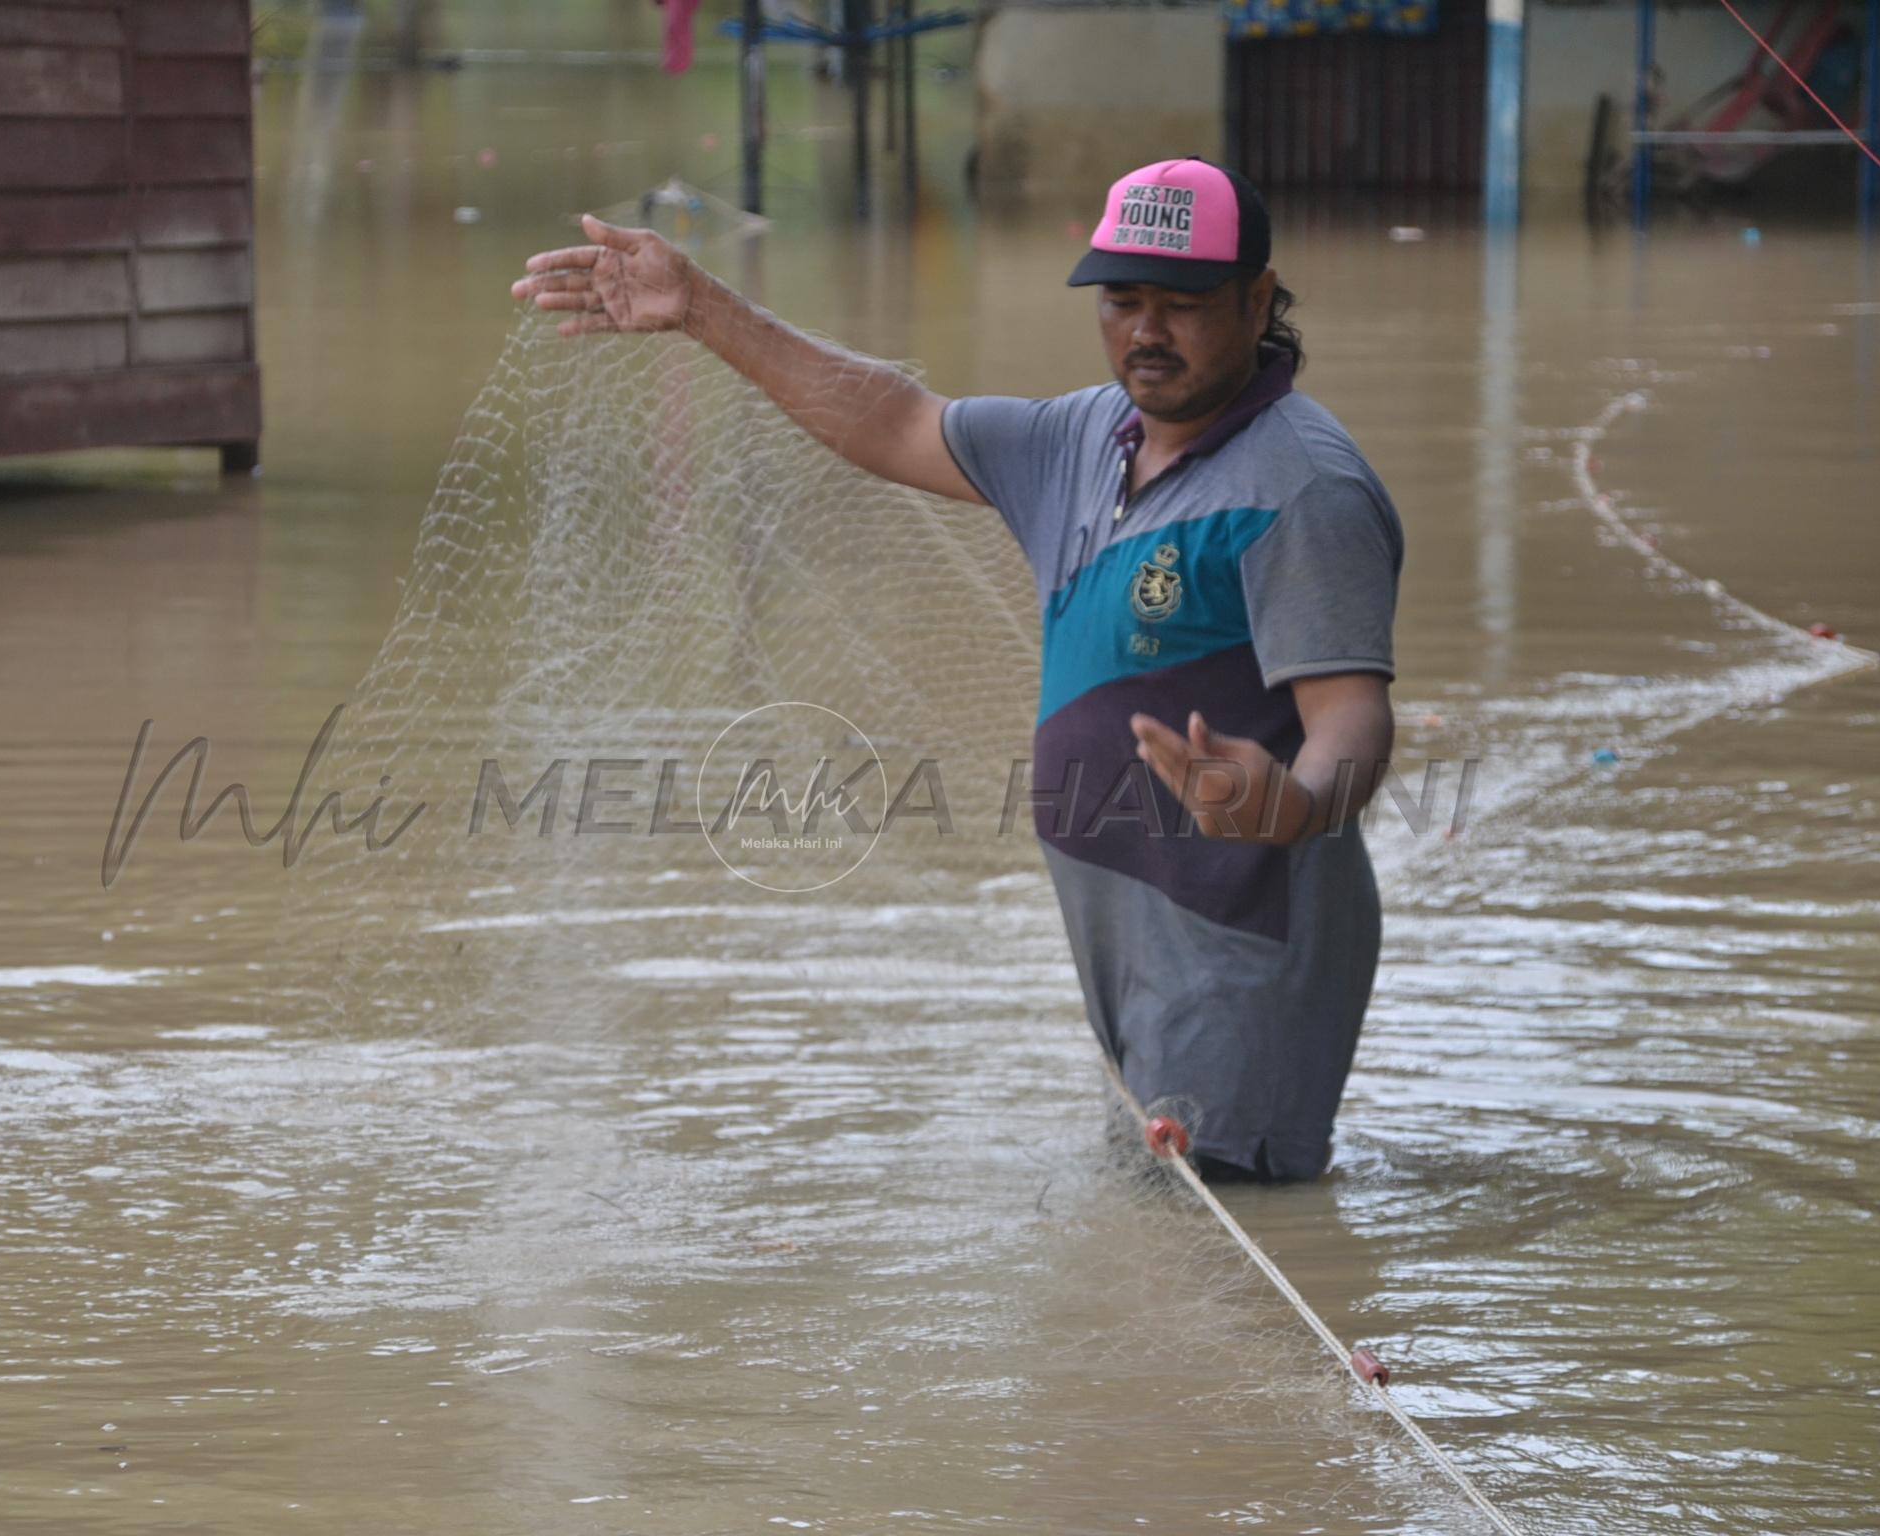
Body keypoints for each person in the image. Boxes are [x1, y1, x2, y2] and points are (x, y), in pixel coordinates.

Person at [510, 158, 1401, 1182]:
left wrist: (1287, 803)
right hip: (1133, 938)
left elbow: (1353, 722)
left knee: (1227, 1234)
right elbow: (893, 418)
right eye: (1123, 301)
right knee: (1164, 1226)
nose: (1147, 332)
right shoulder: (1086, 438)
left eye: (1184, 305)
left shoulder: (1303, 490)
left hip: (1242, 947)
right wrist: (703, 309)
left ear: (1257, 301)